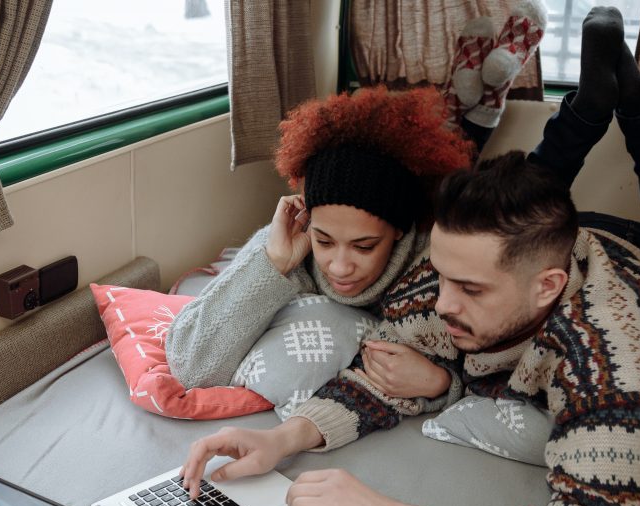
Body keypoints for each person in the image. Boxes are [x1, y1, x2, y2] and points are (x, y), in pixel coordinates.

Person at [178, 6, 640, 506]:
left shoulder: (610, 353)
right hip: (558, 238)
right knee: (523, 195)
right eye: (440, 278)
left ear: (547, 289)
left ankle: (633, 105)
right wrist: (281, 439)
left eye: (471, 291)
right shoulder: (453, 278)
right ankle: (590, 107)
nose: (441, 306)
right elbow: (381, 378)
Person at [165, 86, 472, 396]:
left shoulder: (437, 266)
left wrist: (441, 383)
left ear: (400, 229)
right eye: (324, 241)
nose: (339, 268)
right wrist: (274, 263)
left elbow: (500, 372)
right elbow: (190, 366)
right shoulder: (285, 247)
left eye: (364, 246)